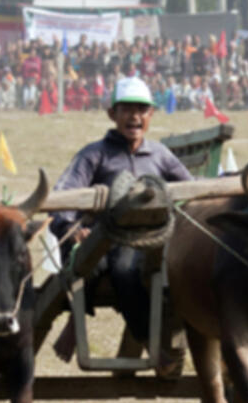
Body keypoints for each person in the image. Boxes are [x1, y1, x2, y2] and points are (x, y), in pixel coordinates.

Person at [49, 76, 193, 376]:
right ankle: (147, 344)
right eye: (126, 109)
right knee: (106, 266)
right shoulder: (94, 154)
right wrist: (71, 229)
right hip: (103, 241)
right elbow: (63, 198)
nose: (134, 116)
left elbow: (191, 191)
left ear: (151, 115)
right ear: (112, 114)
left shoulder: (160, 155)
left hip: (151, 243)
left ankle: (100, 328)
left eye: (141, 110)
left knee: (127, 269)